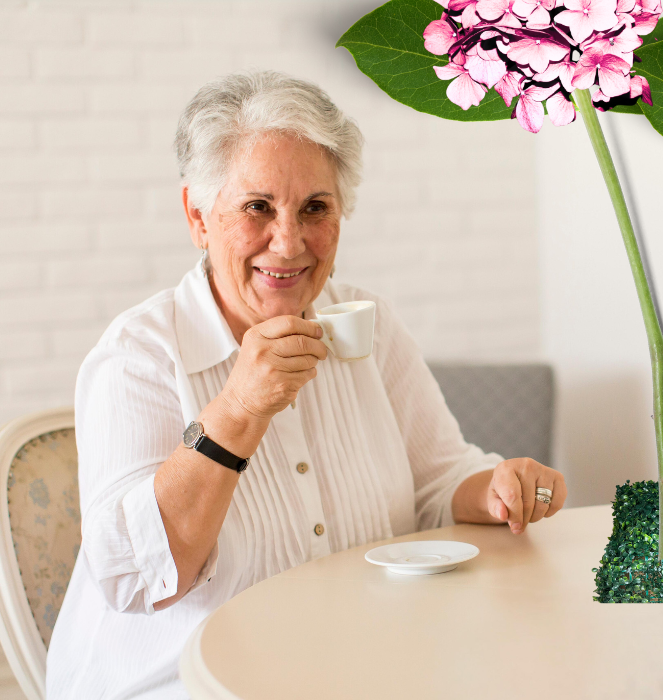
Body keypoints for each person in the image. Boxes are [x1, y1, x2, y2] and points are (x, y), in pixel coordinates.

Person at [47, 70, 567, 699]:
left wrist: (495, 490)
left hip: (349, 667)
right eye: (257, 207)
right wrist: (239, 408)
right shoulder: (137, 357)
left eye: (314, 208)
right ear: (198, 217)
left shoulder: (367, 323)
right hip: (181, 684)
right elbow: (135, 579)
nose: (288, 241)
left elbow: (437, 481)